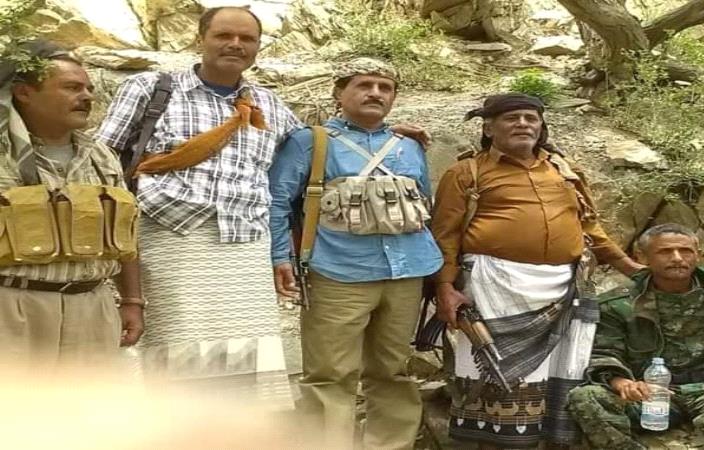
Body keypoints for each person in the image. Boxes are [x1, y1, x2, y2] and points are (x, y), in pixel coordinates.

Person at [96, 7, 300, 395]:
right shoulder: (152, 89)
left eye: (247, 39)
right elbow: (100, 161)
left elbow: (312, 151)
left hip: (245, 246)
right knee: (177, 355)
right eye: (224, 35)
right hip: (169, 240)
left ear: (258, 47)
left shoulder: (270, 105)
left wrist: (390, 134)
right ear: (200, 39)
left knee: (246, 360)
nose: (235, 44)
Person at [430, 93, 643, 449]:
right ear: (488, 128)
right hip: (493, 288)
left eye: (531, 118)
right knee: (495, 373)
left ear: (541, 126)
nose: (523, 124)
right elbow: (445, 235)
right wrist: (444, 287)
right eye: (511, 118)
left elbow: (589, 227)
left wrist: (630, 267)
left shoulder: (563, 170)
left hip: (563, 286)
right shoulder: (466, 172)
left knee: (561, 370)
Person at [269, 57, 443, 449]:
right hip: (336, 273)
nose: (375, 93)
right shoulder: (310, 142)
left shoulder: (409, 146)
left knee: (394, 372)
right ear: (339, 92)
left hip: (405, 273)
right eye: (364, 85)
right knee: (330, 375)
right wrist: (281, 257)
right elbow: (277, 202)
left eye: (385, 88)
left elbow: (423, 205)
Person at [0, 40, 143, 373]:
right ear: (24, 93)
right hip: (11, 306)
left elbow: (127, 235)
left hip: (92, 308)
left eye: (89, 88)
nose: (87, 97)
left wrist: (133, 301)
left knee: (83, 406)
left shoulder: (101, 156)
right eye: (71, 87)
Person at [568, 224, 704, 450]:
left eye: (685, 251)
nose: (677, 258)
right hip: (652, 393)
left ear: (698, 254)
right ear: (642, 258)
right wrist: (623, 383)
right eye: (665, 252)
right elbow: (604, 352)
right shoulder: (617, 304)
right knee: (585, 397)